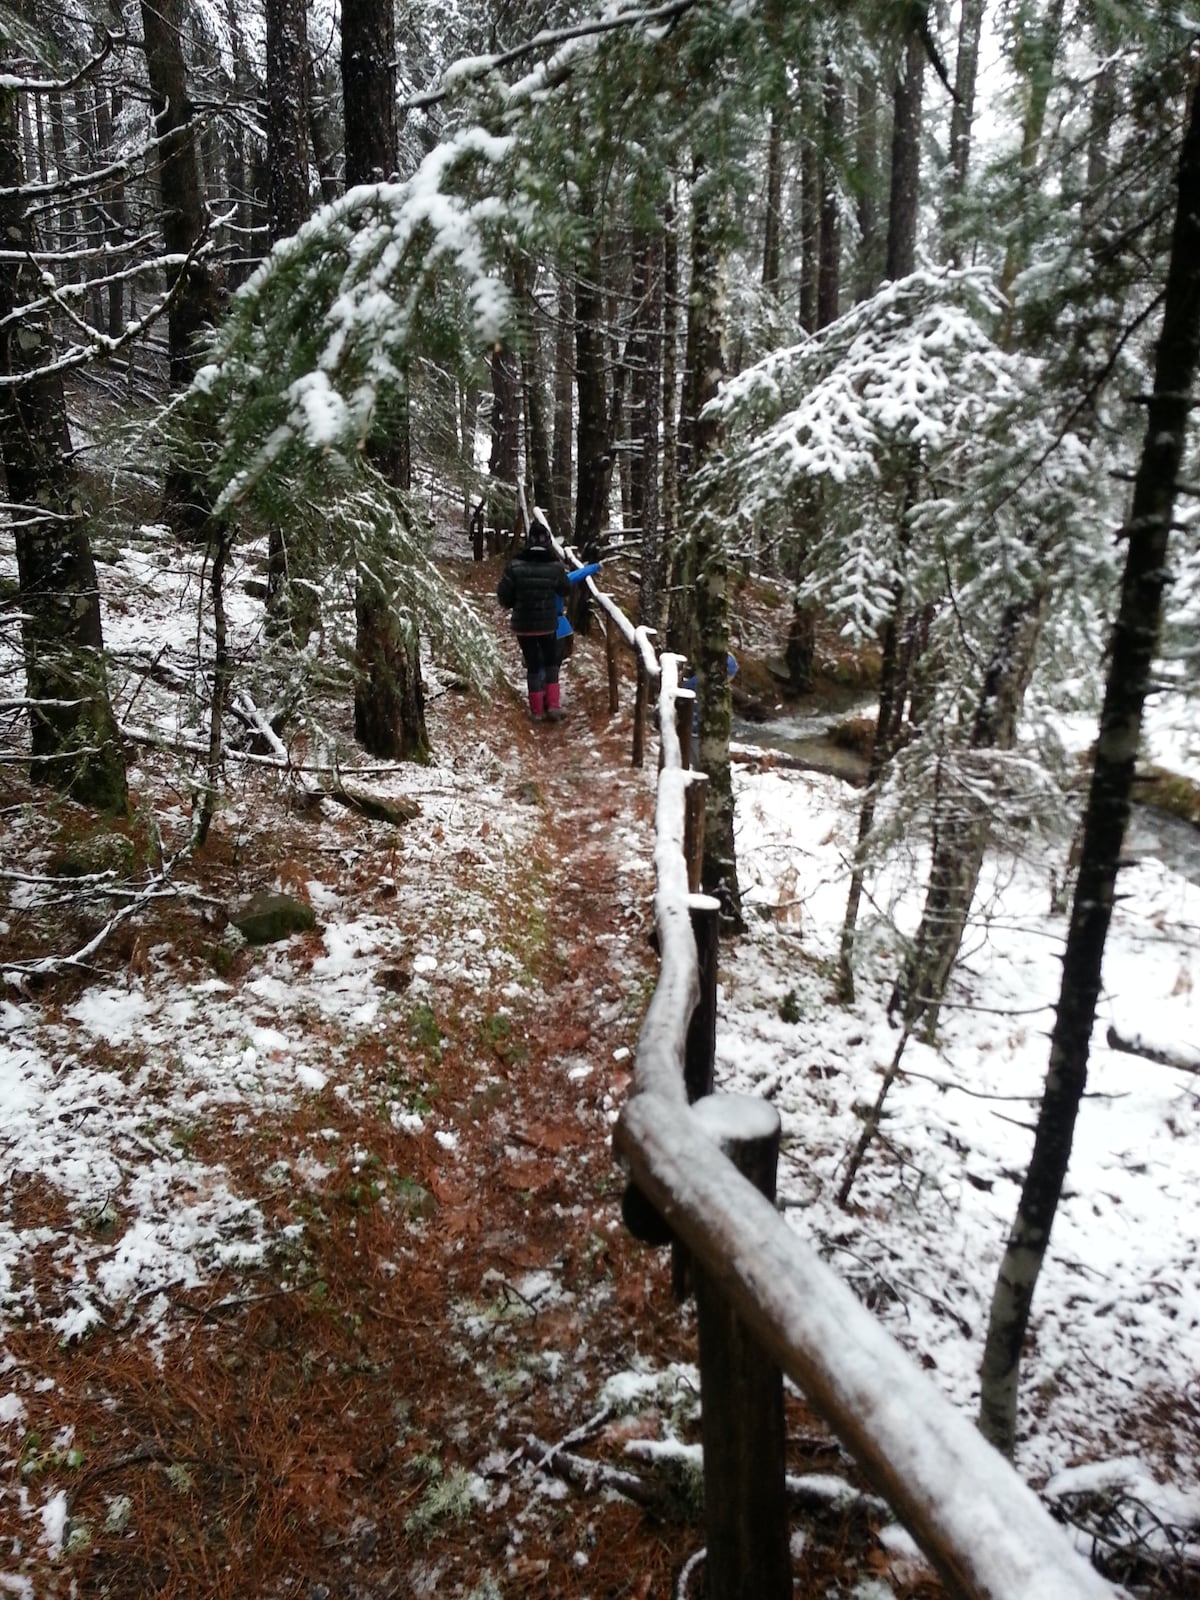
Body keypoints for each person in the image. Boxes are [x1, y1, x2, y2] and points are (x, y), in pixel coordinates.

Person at [496, 521, 572, 722]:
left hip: (524, 625)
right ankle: (553, 706)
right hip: (548, 624)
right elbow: (565, 589)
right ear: (548, 542)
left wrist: (517, 603)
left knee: (533, 665)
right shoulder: (555, 566)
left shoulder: (514, 565)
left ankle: (537, 711)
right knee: (551, 663)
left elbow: (504, 596)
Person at [555, 560, 601, 670]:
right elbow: (578, 574)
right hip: (557, 628)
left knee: (536, 668)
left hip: (533, 626)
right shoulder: (559, 581)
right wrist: (596, 566)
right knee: (553, 669)